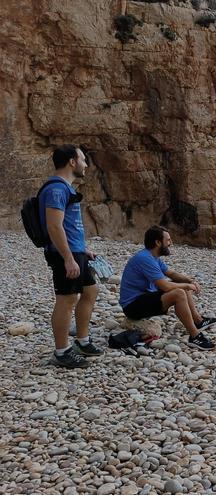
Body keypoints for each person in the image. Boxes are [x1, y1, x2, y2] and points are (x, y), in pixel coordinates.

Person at [40, 145, 104, 368]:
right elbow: (54, 226)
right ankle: (62, 351)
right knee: (66, 299)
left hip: (75, 251)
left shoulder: (65, 188)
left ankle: (82, 341)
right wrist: (68, 257)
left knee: (91, 289)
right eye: (83, 160)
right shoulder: (56, 189)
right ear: (71, 162)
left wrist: (81, 249)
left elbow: (67, 226)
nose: (86, 164)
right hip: (63, 254)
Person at [119, 226, 216, 350]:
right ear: (158, 242)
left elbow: (171, 274)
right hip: (132, 306)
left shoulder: (153, 257)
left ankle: (198, 321)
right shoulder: (145, 259)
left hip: (143, 298)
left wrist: (189, 281)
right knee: (178, 293)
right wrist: (187, 285)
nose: (170, 243)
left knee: (181, 286)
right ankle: (195, 336)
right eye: (168, 240)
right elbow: (165, 286)